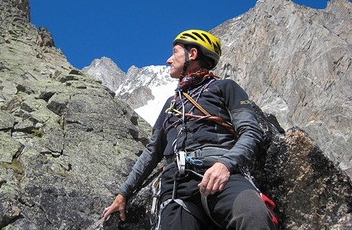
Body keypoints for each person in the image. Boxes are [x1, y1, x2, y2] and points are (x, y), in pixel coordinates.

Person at [102, 29, 276, 229]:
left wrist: (225, 165)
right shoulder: (171, 104)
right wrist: (123, 193)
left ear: (192, 54)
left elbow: (251, 132)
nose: (168, 60)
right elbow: (152, 151)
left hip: (223, 175)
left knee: (254, 217)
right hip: (177, 186)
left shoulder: (225, 87)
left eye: (175, 52)